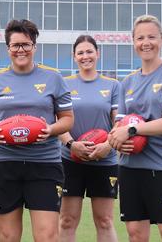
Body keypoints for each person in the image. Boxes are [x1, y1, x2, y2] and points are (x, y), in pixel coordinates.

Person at [0, 19, 74, 242]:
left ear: (34, 47)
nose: (21, 50)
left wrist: (51, 129)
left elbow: (67, 120)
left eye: (26, 44)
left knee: (47, 236)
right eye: (16, 45)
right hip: (3, 164)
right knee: (8, 237)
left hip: (44, 164)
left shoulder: (54, 78)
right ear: (8, 48)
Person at [108, 15, 162, 242]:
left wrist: (132, 131)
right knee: (135, 233)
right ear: (133, 42)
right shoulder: (128, 82)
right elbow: (119, 124)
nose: (146, 42)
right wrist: (115, 137)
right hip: (130, 167)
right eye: (140, 37)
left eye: (152, 37)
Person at [58, 35, 120, 242]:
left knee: (104, 220)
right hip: (69, 159)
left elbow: (119, 123)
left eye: (89, 51)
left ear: (97, 54)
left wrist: (107, 146)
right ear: (74, 57)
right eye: (81, 53)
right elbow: (57, 121)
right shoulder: (63, 84)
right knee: (67, 220)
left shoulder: (112, 86)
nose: (86, 56)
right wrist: (71, 144)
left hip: (104, 160)